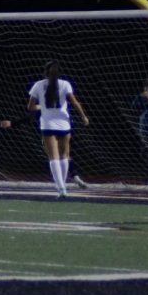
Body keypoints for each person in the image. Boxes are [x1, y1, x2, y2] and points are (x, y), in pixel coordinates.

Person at [27, 61, 89, 198]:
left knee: (53, 158)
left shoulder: (38, 85)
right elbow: (74, 102)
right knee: (64, 156)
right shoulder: (65, 84)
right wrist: (84, 116)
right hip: (64, 124)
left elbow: (30, 107)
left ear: (45, 72)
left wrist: (41, 107)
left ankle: (61, 189)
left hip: (47, 125)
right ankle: (64, 186)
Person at [0, 106, 88, 188]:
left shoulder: (45, 104)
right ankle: (74, 177)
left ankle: (62, 183)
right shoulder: (60, 103)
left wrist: (12, 123)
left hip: (51, 133)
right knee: (64, 156)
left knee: (55, 157)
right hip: (63, 131)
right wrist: (82, 117)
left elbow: (31, 114)